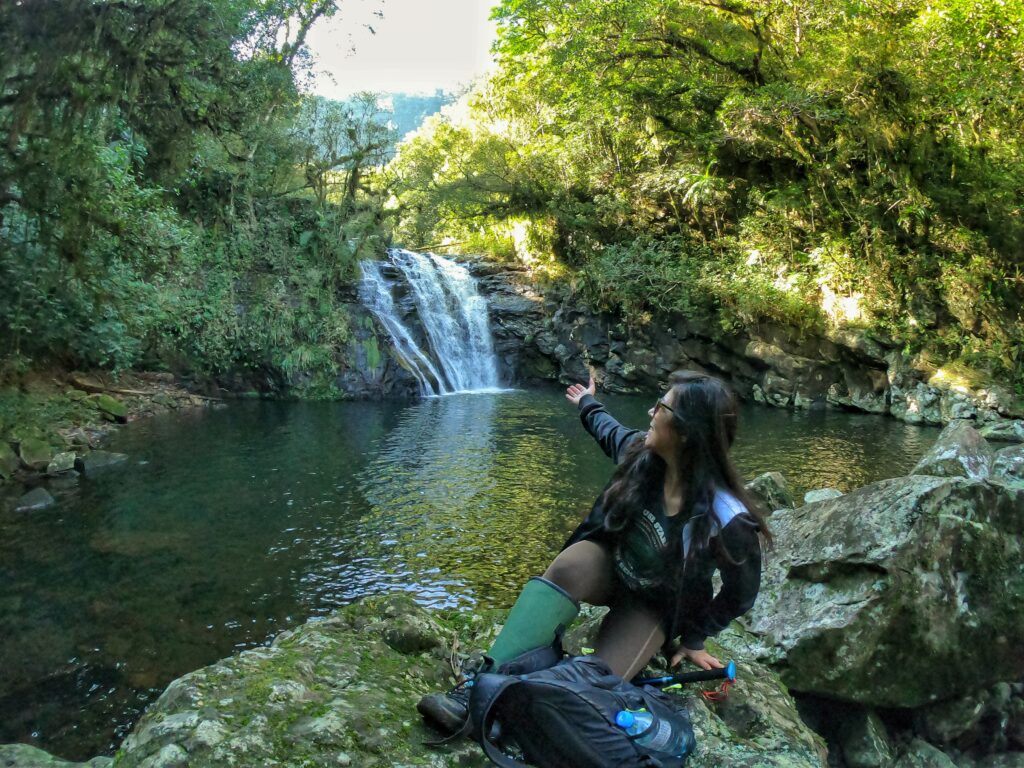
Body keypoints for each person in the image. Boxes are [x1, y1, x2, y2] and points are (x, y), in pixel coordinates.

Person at [417, 369, 771, 735]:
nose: (650, 413)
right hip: (612, 573)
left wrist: (695, 638)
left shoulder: (725, 517)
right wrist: (587, 402)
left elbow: (741, 591)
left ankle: (510, 709)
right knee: (573, 563)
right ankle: (477, 688)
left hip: (653, 606)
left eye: (661, 407)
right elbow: (608, 431)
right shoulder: (641, 456)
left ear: (685, 432)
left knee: (591, 688)